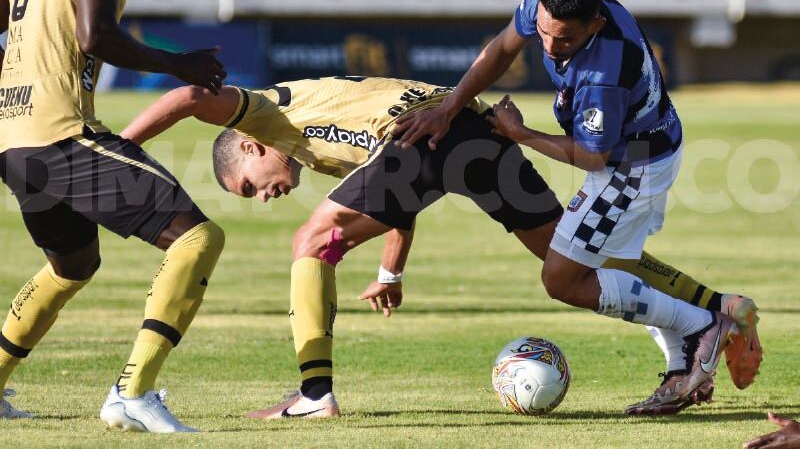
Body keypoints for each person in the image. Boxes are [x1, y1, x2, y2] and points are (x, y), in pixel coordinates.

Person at [121, 75, 757, 418]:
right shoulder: (321, 128)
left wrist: (118, 148)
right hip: (469, 130)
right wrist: (390, 269)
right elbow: (397, 195)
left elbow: (187, 95)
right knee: (570, 257)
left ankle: (314, 396)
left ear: (251, 149)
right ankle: (709, 310)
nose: (261, 196)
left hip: (425, 139)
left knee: (310, 241)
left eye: (248, 187)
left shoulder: (258, 112)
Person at [392, 0, 762, 415]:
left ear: (595, 24)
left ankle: (705, 326)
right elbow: (504, 46)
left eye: (564, 39)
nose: (548, 46)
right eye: (544, 32)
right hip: (647, 148)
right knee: (617, 269)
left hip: (631, 166)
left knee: (563, 279)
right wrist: (449, 108)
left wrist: (520, 134)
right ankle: (686, 360)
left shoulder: (603, 73)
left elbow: (592, 157)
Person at [0, 0, 227, 432]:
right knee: (197, 237)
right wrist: (180, 65)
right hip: (60, 133)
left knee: (72, 263)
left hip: (12, 137)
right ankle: (133, 392)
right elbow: (94, 33)